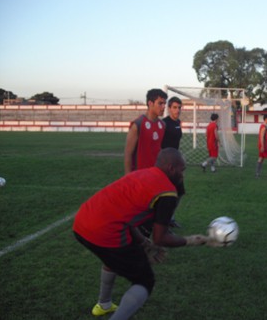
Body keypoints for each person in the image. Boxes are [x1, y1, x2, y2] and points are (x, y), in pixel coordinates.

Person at [73, 148, 219, 319]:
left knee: (112, 259)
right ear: (171, 168)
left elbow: (126, 218)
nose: (183, 175)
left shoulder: (142, 174)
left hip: (81, 222)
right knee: (145, 281)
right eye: (182, 169)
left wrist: (144, 244)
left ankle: (103, 304)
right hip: (104, 230)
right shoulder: (167, 192)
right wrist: (192, 240)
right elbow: (160, 237)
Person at [124, 89, 167, 175]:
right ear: (150, 103)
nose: (163, 107)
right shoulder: (137, 125)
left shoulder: (162, 125)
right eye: (160, 103)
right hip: (139, 175)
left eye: (164, 103)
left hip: (156, 173)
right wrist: (128, 178)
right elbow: (128, 153)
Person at [161, 96, 184, 228]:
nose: (177, 110)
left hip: (175, 164)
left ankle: (170, 218)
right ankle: (163, 221)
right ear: (169, 108)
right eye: (175, 107)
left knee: (179, 192)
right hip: (165, 166)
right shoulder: (164, 123)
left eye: (179, 107)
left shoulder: (177, 123)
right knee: (166, 195)